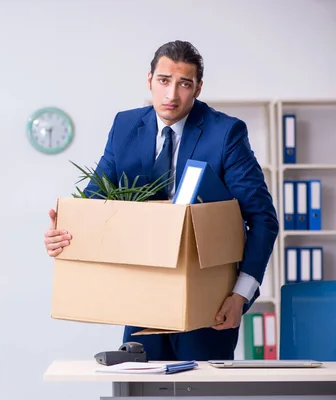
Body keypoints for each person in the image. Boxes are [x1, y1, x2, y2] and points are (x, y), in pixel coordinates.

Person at [43, 40, 279, 361]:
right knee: (139, 388)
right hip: (141, 295)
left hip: (208, 298)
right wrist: (67, 232)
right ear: (149, 80)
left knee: (200, 391)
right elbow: (96, 201)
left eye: (184, 84)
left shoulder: (225, 133)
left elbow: (263, 218)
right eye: (164, 81)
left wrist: (240, 295)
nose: (171, 95)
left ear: (198, 88)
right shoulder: (125, 127)